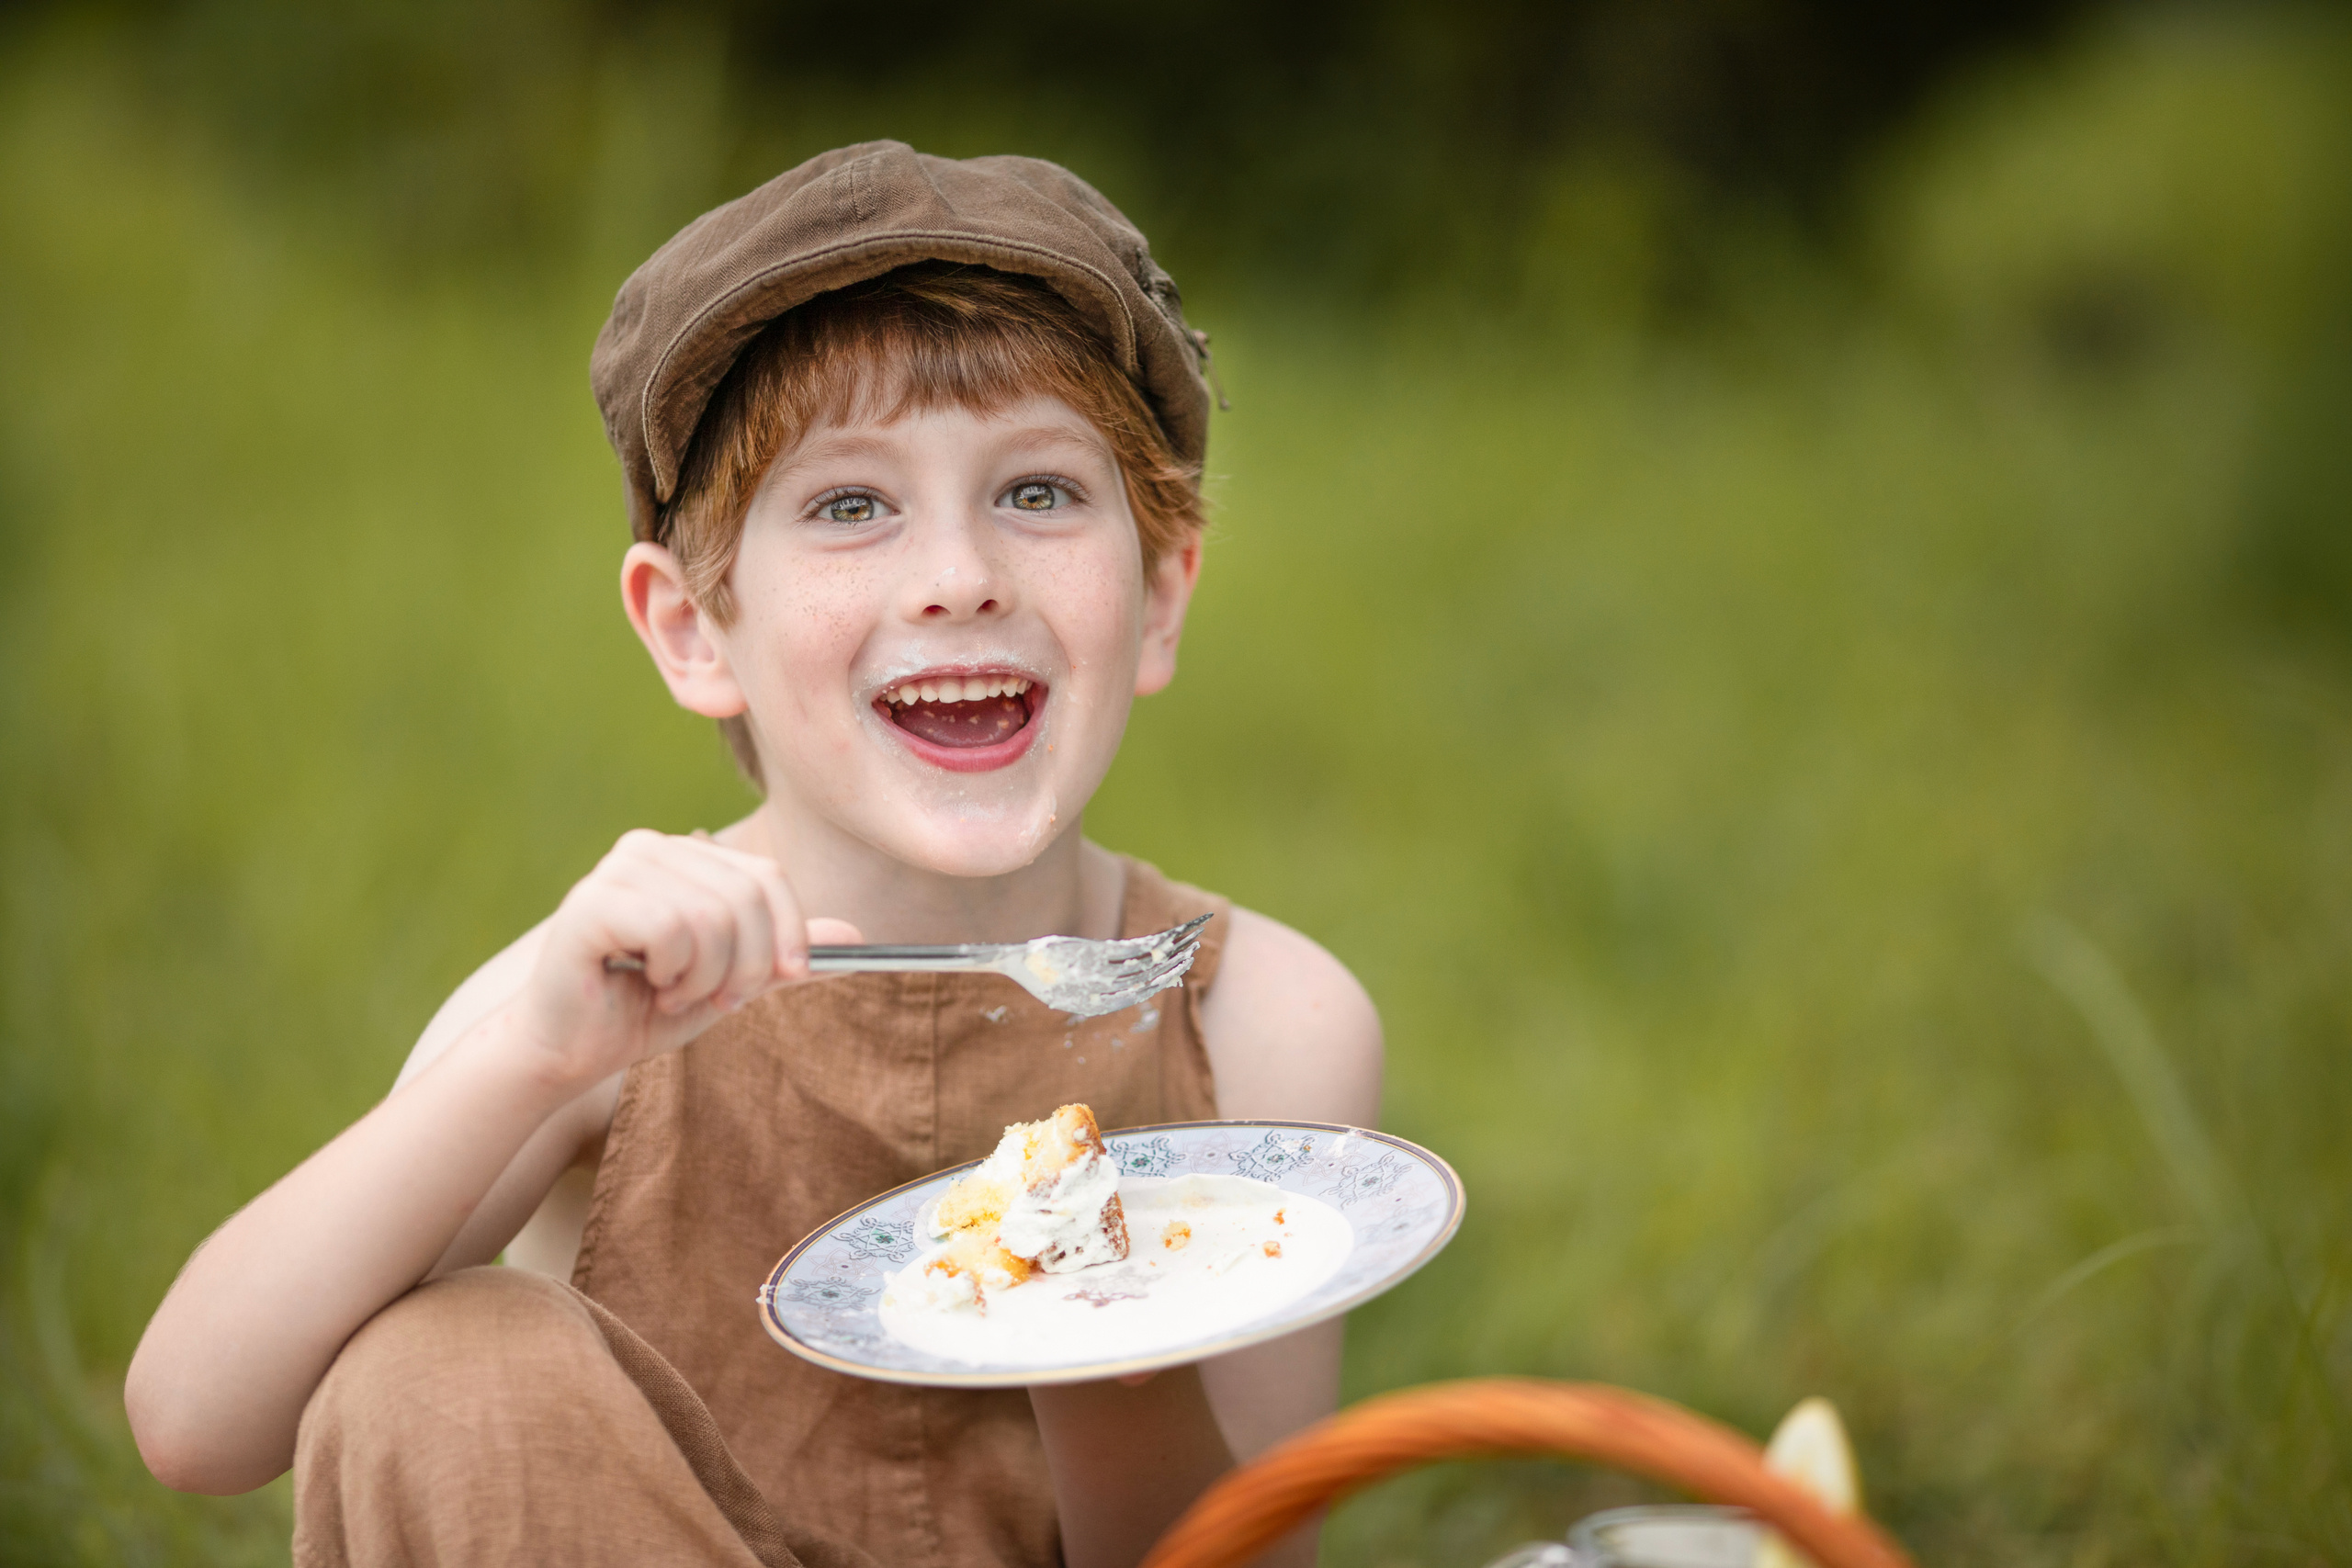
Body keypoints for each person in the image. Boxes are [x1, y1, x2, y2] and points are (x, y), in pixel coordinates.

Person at [123, 141, 1383, 1568]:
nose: (960, 572)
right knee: (441, 1359)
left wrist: (1108, 1341)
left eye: (1037, 492)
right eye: (851, 505)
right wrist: (533, 1058)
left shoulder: (1257, 1024)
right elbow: (193, 1419)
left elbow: (1248, 1558)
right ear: (691, 629)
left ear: (1160, 596)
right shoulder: (607, 999)